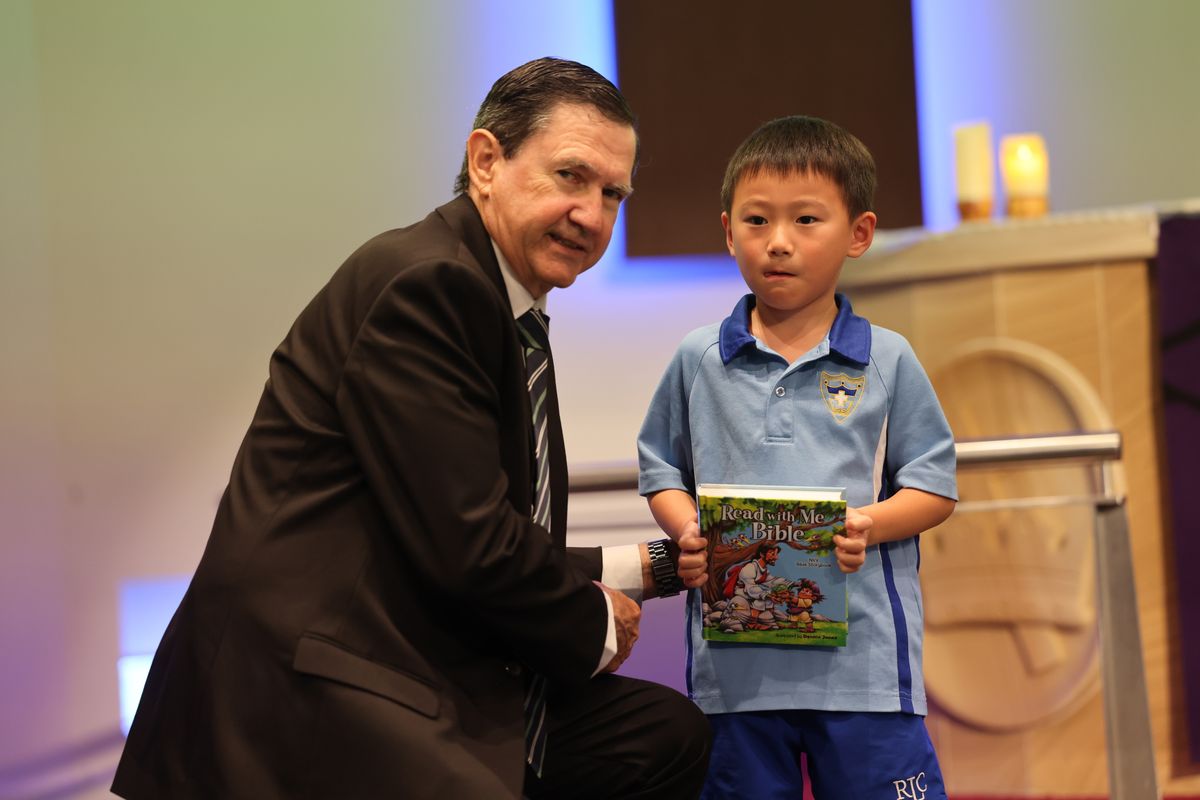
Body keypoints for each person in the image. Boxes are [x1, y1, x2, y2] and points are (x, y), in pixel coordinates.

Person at [112, 57, 711, 800]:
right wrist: (594, 623)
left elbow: (472, 530)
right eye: (570, 177)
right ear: (486, 162)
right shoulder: (431, 285)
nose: (592, 215)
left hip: (399, 641)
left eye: (612, 193)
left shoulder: (497, 298)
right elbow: (469, 545)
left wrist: (643, 567)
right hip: (313, 679)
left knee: (662, 737)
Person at [636, 115, 958, 799]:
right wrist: (686, 530)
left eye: (806, 219)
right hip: (734, 679)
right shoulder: (698, 358)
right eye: (757, 220)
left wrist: (870, 524)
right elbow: (661, 470)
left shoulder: (888, 359)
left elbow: (933, 486)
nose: (778, 241)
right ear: (729, 232)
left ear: (859, 233)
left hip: (866, 671)